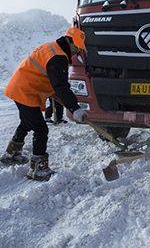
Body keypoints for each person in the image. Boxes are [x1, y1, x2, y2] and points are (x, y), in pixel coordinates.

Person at [0, 27, 88, 181]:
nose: (77, 52)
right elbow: (60, 86)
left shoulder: (52, 48)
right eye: (77, 48)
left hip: (21, 88)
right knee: (41, 130)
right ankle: (38, 169)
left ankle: (11, 153)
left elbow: (52, 83)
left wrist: (67, 103)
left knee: (27, 123)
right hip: (25, 92)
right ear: (70, 41)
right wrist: (75, 108)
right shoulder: (58, 57)